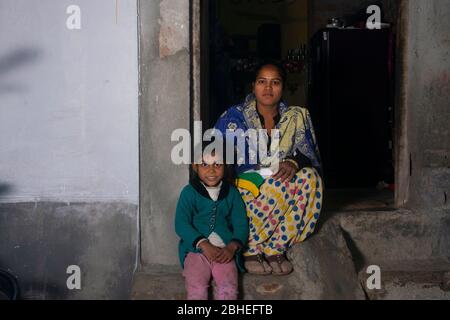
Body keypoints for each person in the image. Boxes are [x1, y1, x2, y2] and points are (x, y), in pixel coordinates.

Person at [215, 62, 323, 276]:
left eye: (275, 82)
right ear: (253, 86)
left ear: (283, 87)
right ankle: (250, 250)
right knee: (273, 182)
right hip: (245, 189)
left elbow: (310, 156)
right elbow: (215, 162)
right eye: (262, 82)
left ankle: (275, 247)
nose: (268, 88)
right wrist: (260, 172)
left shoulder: (296, 116)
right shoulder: (232, 118)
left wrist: (293, 162)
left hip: (280, 186)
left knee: (310, 178)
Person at [175, 145, 248, 300]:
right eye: (204, 165)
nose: (211, 170)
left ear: (225, 166)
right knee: (197, 288)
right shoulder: (189, 192)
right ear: (195, 167)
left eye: (217, 164)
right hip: (196, 253)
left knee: (229, 289)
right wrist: (204, 244)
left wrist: (231, 247)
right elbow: (181, 223)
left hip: (224, 253)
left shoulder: (232, 193)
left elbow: (241, 224)